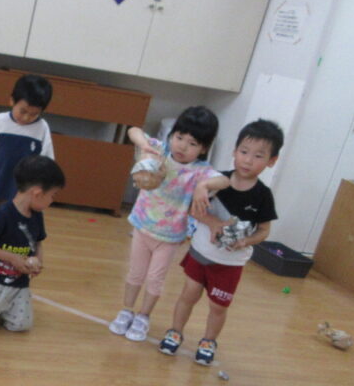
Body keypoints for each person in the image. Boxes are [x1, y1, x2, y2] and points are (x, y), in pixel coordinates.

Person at [158, 119, 282, 366]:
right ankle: (175, 331)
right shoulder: (216, 181)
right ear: (234, 151)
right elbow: (193, 209)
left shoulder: (263, 195)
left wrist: (245, 241)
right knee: (188, 295)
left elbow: (264, 230)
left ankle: (208, 341)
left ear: (271, 161)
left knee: (218, 307)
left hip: (230, 264)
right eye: (244, 152)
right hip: (200, 253)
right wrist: (213, 222)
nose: (248, 160)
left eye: (258, 156)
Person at [108, 106, 219, 343]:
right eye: (179, 137)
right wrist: (144, 145)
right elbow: (133, 130)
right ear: (172, 135)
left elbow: (224, 181)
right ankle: (127, 310)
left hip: (169, 237)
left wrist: (203, 186)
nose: (182, 146)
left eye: (192, 143)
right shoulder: (160, 151)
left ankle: (143, 316)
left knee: (155, 279)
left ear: (203, 148)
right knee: (135, 273)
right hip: (142, 227)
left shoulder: (200, 171)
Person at [0, 74, 54, 273]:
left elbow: (46, 162)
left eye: (33, 114)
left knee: (16, 227)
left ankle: (12, 258)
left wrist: (42, 189)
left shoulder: (42, 128)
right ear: (11, 101)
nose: (26, 118)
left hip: (22, 194)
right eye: (22, 111)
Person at [0, 155, 65, 332]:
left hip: (18, 281)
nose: (52, 201)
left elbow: (38, 242)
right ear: (37, 193)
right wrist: (12, 258)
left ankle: (3, 307)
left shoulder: (37, 216)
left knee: (21, 325)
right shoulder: (3, 214)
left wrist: (38, 261)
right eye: (52, 195)